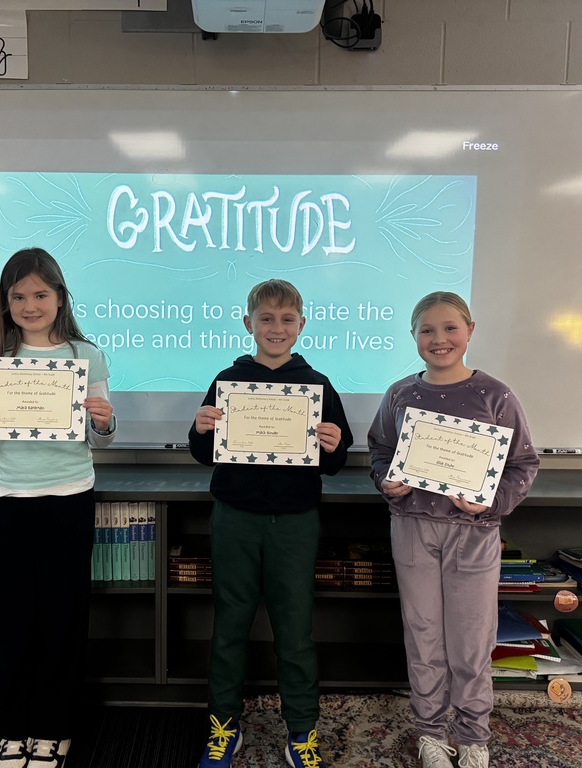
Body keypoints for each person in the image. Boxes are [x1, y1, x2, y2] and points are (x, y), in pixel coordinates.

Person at [0, 247, 116, 768]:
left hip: (69, 495)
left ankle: (53, 728)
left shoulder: (84, 356)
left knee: (63, 618)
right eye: (18, 295)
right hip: (8, 498)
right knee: (13, 618)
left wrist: (105, 421)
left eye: (40, 294)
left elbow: (105, 440)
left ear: (60, 298)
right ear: (6, 302)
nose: (30, 304)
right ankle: (12, 729)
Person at [367, 291, 539, 768]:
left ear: (470, 331)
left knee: (471, 638)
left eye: (449, 328)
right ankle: (431, 732)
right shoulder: (401, 394)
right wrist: (389, 484)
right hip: (413, 527)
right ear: (413, 335)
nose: (438, 339)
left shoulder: (495, 395)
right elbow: (380, 450)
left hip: (474, 534)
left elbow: (523, 464)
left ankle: (472, 735)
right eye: (427, 330)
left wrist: (491, 500)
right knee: (423, 634)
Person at [188, 279, 353, 768]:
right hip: (235, 518)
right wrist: (199, 429)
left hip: (295, 523)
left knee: (295, 631)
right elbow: (204, 452)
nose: (276, 328)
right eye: (266, 319)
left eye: (286, 320)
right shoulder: (228, 380)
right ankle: (224, 727)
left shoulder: (318, 385)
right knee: (229, 627)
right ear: (248, 324)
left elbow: (336, 462)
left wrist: (333, 444)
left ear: (301, 325)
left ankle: (301, 730)